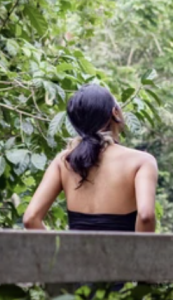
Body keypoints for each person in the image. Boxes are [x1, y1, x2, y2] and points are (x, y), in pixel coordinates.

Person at [23, 84, 158, 233]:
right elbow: (146, 216)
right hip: (123, 255)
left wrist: (59, 253)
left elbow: (31, 218)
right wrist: (139, 254)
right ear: (115, 113)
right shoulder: (141, 162)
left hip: (75, 255)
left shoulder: (64, 161)